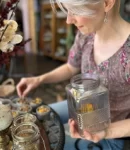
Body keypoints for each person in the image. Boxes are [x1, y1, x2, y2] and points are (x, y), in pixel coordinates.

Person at [17, 0, 130, 149]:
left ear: (107, 3)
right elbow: (71, 67)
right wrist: (39, 79)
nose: (68, 20)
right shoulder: (86, 35)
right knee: (35, 120)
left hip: (111, 132)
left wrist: (105, 132)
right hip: (82, 107)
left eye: (76, 11)